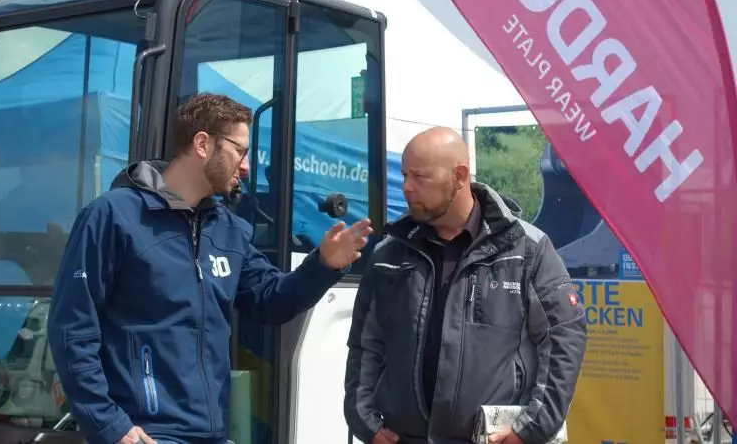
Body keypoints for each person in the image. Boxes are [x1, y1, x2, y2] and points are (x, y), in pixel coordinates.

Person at [47, 93, 373, 444]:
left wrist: (323, 265)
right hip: (145, 434)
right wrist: (109, 425)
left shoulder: (228, 230)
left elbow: (272, 301)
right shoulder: (113, 216)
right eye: (240, 151)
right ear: (202, 143)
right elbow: (72, 329)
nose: (246, 166)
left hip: (212, 435)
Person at [344, 127, 587, 444]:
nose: (406, 187)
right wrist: (365, 423)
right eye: (404, 175)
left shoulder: (526, 249)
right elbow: (365, 345)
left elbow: (564, 337)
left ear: (459, 176)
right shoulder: (389, 255)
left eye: (419, 176)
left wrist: (530, 429)